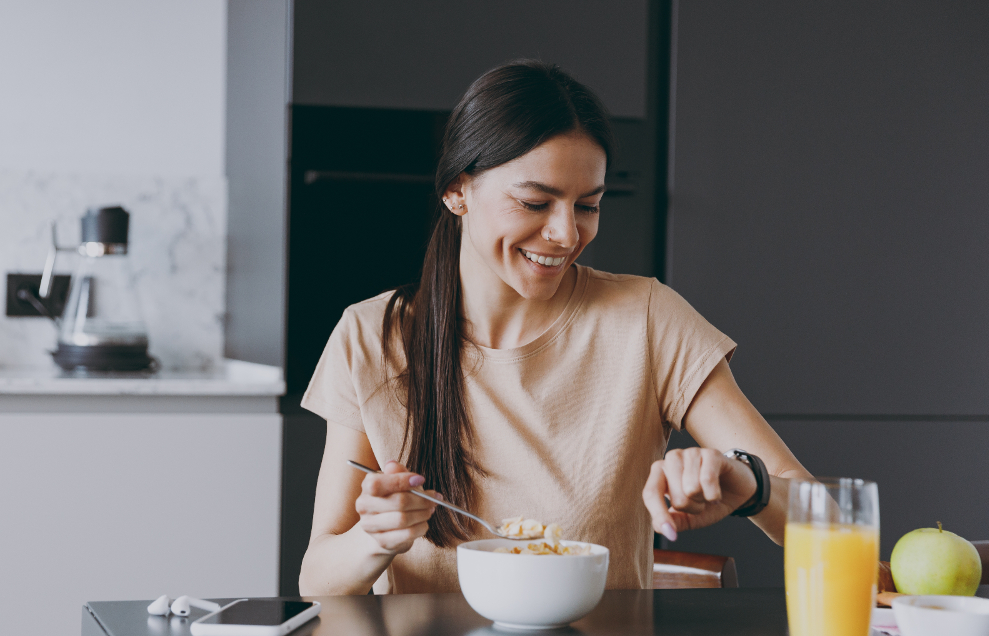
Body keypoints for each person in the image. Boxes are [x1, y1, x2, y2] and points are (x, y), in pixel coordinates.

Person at [297, 60, 812, 596]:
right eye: (535, 202)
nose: (566, 234)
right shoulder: (371, 335)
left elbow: (819, 513)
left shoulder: (648, 319)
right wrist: (375, 539)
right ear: (457, 191)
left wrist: (749, 486)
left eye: (588, 205)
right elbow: (317, 578)